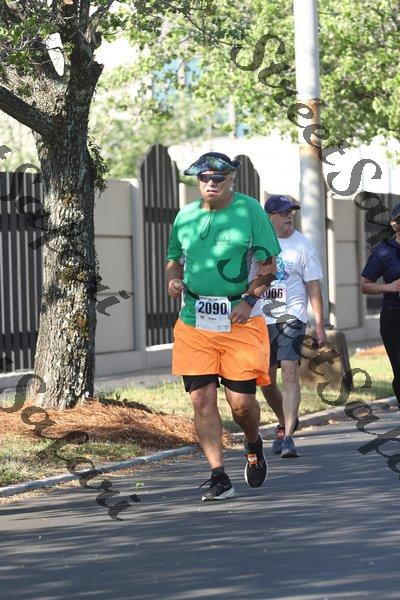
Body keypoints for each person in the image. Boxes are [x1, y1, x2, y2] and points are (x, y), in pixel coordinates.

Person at [166, 152, 281, 501]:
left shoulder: (250, 211)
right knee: (201, 399)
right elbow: (174, 259)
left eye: (218, 178)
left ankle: (253, 443)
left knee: (241, 405)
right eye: (204, 178)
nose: (211, 184)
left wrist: (248, 301)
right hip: (194, 321)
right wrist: (173, 280)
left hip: (238, 320)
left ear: (231, 179)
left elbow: (268, 266)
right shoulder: (185, 216)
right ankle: (219, 476)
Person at [252, 194, 327, 458]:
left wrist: (320, 325)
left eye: (291, 212)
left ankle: (288, 439)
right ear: (269, 217)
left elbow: (314, 287)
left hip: (292, 316)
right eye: (283, 213)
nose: (289, 216)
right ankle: (284, 421)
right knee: (266, 380)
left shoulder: (302, 245)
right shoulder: (256, 243)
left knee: (290, 370)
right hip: (261, 318)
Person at [361, 203, 400, 409]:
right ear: (394, 224)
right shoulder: (384, 252)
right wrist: (390, 287)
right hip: (394, 318)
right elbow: (365, 285)